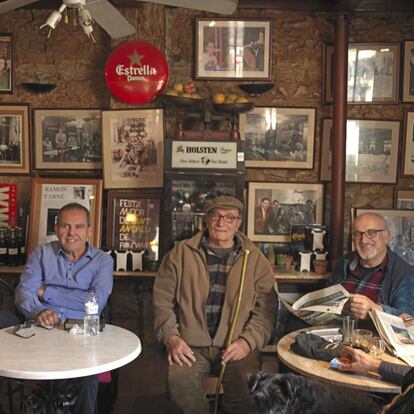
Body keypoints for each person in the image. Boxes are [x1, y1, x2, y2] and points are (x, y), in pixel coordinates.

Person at [153, 195, 277, 414]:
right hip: (190, 345)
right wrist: (171, 337)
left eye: (230, 218)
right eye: (216, 216)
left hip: (236, 346)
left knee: (245, 395)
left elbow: (266, 312)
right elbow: (162, 302)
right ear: (206, 220)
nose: (222, 223)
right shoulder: (180, 254)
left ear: (238, 223)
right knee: (181, 390)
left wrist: (247, 342)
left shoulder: (256, 260)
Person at [15, 202, 114, 414]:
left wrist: (46, 292)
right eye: (65, 226)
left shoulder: (102, 261)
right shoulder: (41, 254)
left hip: (80, 336)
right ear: (56, 227)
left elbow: (95, 302)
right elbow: (24, 291)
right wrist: (39, 311)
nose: (71, 233)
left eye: (78, 227)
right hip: (40, 332)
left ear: (89, 230)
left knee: (89, 376)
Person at [328, 212, 414, 320]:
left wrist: (375, 310)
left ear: (386, 236)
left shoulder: (405, 273)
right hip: (333, 330)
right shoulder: (345, 262)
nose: (363, 240)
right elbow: (328, 295)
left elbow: (408, 319)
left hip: (371, 335)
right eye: (357, 234)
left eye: (371, 233)